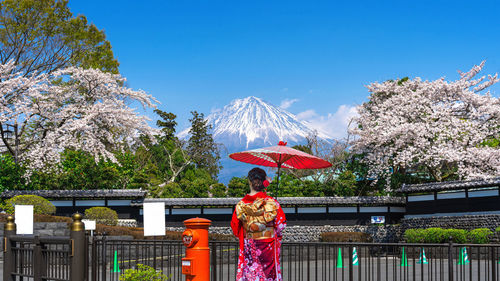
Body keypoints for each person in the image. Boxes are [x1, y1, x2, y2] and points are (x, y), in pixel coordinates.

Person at [231, 167, 287, 281]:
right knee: (269, 276)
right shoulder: (272, 203)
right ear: (263, 182)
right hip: (268, 246)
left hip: (249, 245)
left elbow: (235, 229)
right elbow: (281, 225)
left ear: (249, 182)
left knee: (250, 274)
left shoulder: (241, 205)